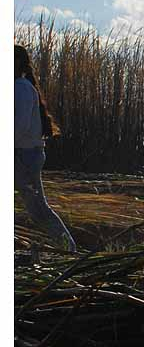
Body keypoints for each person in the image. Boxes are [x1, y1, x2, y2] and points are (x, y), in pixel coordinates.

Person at [14, 45, 77, 252]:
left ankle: (69, 250)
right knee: (38, 209)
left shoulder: (21, 88)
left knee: (39, 210)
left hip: (23, 156)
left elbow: (19, 126)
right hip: (23, 154)